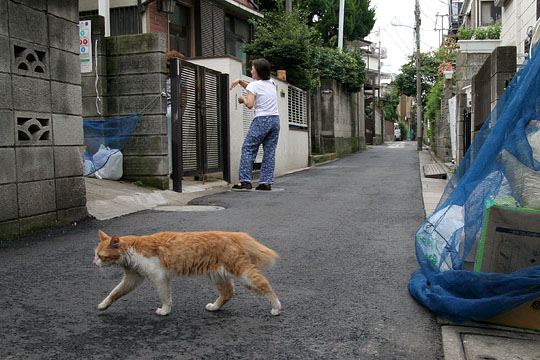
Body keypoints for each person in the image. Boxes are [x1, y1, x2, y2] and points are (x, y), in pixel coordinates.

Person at [230, 58, 280, 191]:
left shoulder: (254, 85)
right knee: (269, 151)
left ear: (258, 71)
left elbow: (250, 104)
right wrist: (240, 82)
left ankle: (245, 181)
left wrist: (242, 99)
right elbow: (255, 89)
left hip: (261, 120)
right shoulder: (272, 83)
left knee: (248, 148)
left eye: (253, 68)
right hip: (275, 120)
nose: (251, 70)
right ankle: (265, 182)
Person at [165, 50, 186, 176]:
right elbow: (184, 98)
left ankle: (171, 170)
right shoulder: (180, 78)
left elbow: (183, 98)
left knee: (169, 141)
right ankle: (174, 170)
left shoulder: (175, 78)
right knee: (173, 141)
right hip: (172, 111)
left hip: (169, 111)